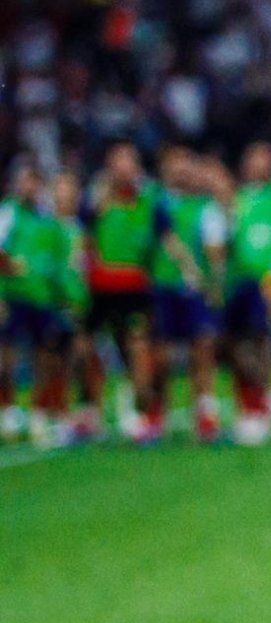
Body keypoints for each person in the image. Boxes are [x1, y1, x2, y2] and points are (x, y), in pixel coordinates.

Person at [82, 141, 164, 445]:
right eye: (118, 161)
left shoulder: (149, 199)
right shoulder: (96, 199)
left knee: (138, 349)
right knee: (84, 348)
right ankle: (89, 411)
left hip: (135, 285)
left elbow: (165, 239)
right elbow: (81, 238)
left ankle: (144, 414)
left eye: (128, 161)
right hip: (101, 285)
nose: (123, 167)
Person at [152, 148, 234, 444]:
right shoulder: (155, 203)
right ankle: (156, 414)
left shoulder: (206, 207)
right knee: (160, 356)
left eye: (186, 165)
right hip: (162, 286)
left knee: (203, 350)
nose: (181, 171)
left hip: (197, 290)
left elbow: (216, 251)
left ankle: (205, 413)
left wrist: (213, 285)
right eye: (174, 166)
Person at [2, 160, 77, 446]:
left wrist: (64, 297)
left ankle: (36, 413)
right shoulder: (9, 212)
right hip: (13, 296)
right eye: (25, 181)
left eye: (34, 182)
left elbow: (60, 263)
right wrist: (9, 269)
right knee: (5, 357)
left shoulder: (50, 222)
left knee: (43, 358)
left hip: (44, 299)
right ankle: (7, 411)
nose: (29, 187)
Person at [224, 138, 271, 444]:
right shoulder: (236, 199)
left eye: (265, 158)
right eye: (255, 157)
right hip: (237, 282)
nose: (259, 164)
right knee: (236, 346)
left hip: (268, 281)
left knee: (263, 343)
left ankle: (259, 408)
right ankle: (246, 406)